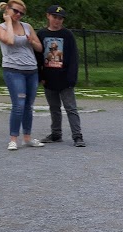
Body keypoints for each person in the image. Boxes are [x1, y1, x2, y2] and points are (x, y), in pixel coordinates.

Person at [0, 0, 45, 150]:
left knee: (28, 105)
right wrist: (9, 22)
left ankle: (27, 138)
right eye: (15, 11)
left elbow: (40, 48)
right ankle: (13, 139)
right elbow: (9, 40)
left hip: (31, 70)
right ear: (7, 10)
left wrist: (31, 41)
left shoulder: (27, 27)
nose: (18, 14)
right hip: (13, 70)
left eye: (21, 13)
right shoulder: (0, 27)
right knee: (19, 105)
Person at [37, 5, 85, 147]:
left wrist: (72, 77)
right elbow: (38, 56)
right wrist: (40, 75)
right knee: (54, 107)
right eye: (54, 17)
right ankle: (56, 134)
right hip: (49, 76)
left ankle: (77, 136)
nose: (57, 20)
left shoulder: (67, 35)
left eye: (60, 18)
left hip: (64, 77)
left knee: (71, 108)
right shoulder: (41, 34)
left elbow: (73, 57)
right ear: (48, 16)